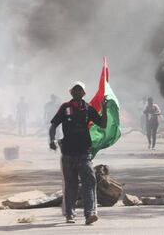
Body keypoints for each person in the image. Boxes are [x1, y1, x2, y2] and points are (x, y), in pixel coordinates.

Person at [49, 81, 107, 225]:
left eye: (80, 90)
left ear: (84, 93)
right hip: (68, 152)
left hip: (84, 152)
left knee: (89, 181)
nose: (77, 92)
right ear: (71, 92)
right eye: (75, 90)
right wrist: (51, 139)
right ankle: (70, 214)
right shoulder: (65, 107)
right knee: (71, 184)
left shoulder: (88, 109)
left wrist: (104, 109)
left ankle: (89, 214)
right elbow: (54, 124)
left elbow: (103, 124)